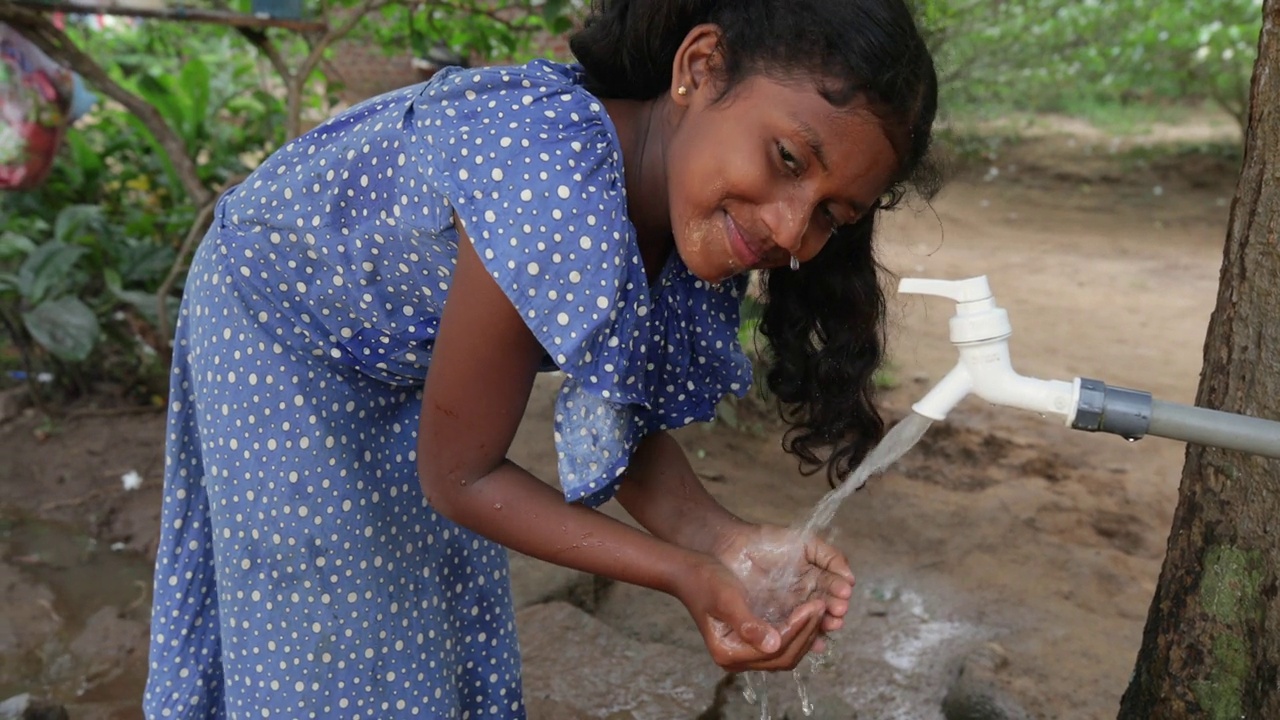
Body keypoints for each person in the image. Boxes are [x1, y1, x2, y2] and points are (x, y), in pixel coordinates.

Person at [143, 0, 938, 716]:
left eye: (832, 214)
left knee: (436, 597)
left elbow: (612, 412)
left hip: (388, 339)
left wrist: (727, 543)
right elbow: (461, 476)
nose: (792, 231)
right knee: (330, 620)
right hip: (279, 324)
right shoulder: (550, 178)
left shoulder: (683, 212)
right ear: (701, 68)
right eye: (789, 160)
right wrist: (682, 573)